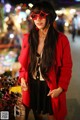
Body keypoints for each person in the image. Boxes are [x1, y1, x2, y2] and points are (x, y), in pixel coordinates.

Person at [18, 1, 73, 120]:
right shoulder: (29, 38)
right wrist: (22, 78)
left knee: (53, 115)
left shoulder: (61, 40)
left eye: (42, 15)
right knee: (37, 114)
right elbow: (24, 64)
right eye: (34, 16)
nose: (38, 19)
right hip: (32, 84)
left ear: (50, 16)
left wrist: (61, 88)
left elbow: (66, 66)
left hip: (52, 86)